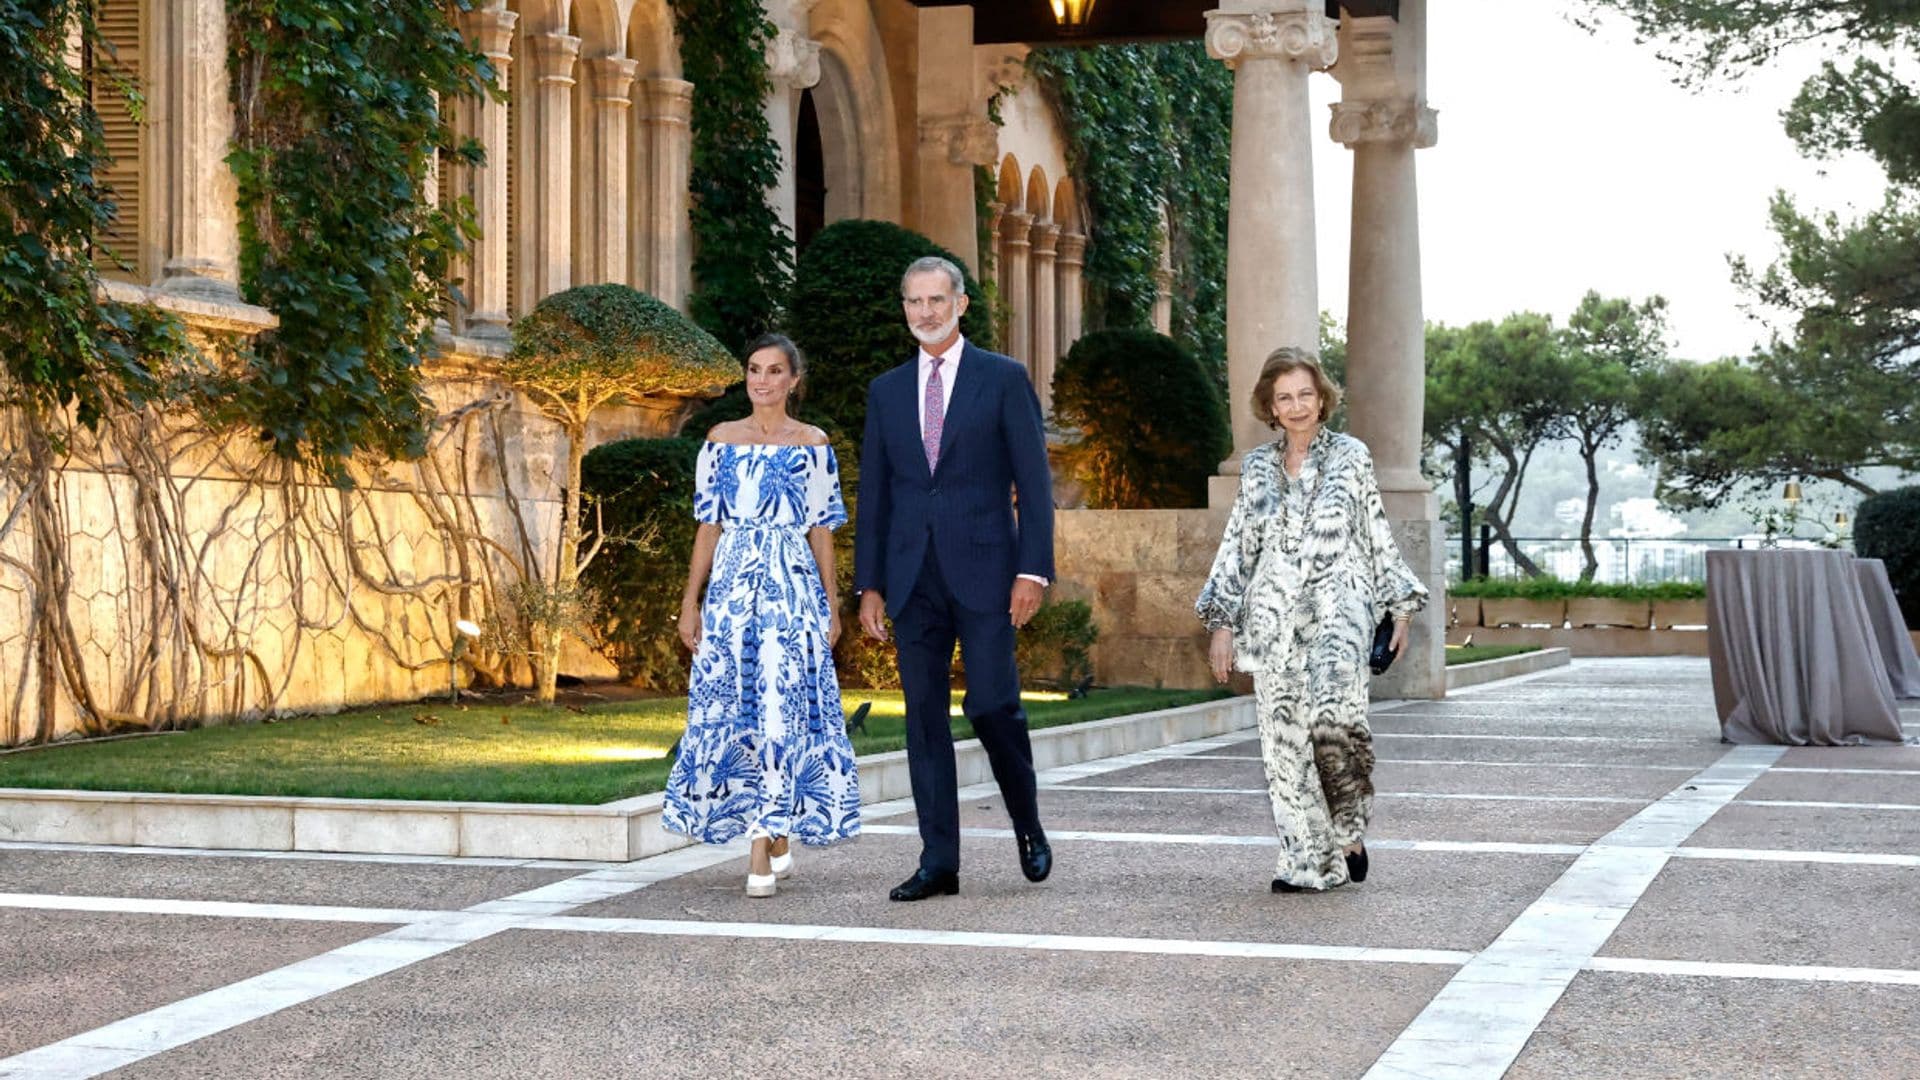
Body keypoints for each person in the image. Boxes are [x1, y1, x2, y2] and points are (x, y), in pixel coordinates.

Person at [854, 255, 1056, 902]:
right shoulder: (886, 391)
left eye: (937, 300)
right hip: (913, 578)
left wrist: (1033, 569)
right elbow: (877, 494)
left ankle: (1026, 824)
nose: (925, 312)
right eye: (914, 301)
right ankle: (939, 861)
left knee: (993, 703)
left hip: (990, 573)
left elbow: (1035, 484)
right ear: (904, 308)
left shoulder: (1002, 379)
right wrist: (871, 585)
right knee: (923, 722)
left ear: (960, 304)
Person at [1196, 346, 1427, 893]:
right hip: (1274, 625)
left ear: (1321, 398)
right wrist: (1222, 624)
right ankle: (1306, 862)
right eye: (1283, 398)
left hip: (1339, 622)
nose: (1296, 406)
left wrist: (1401, 608)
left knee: (1333, 729)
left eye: (1304, 394)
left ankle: (1347, 831)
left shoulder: (1351, 457)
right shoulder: (1255, 469)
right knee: (1284, 746)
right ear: (1270, 407)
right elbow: (1238, 549)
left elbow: (1375, 533)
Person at [665, 333, 859, 898]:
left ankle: (760, 845)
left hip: (792, 590)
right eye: (754, 369)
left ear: (794, 380)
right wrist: (689, 602)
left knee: (780, 707)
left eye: (775, 371)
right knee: (735, 707)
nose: (762, 380)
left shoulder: (813, 444)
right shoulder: (720, 440)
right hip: (730, 592)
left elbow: (822, 529)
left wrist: (832, 603)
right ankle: (772, 831)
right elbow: (708, 527)